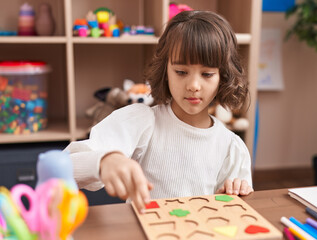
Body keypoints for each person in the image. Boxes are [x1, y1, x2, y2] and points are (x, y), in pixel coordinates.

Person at [65, 10, 253, 214]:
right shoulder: (142, 121)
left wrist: (232, 193)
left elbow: (235, 212)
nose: (193, 85)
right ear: (166, 72)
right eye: (181, 72)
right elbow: (65, 165)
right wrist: (105, 161)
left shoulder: (232, 147)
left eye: (207, 74)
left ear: (223, 77)